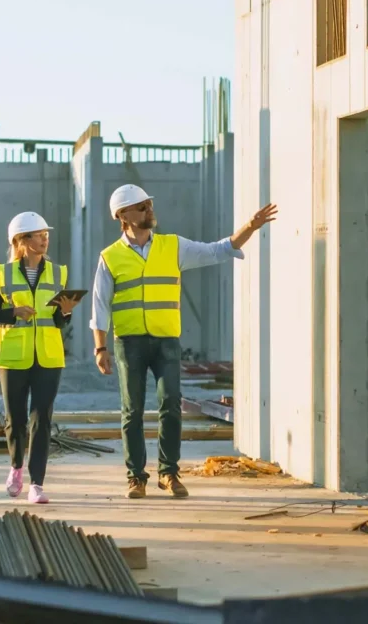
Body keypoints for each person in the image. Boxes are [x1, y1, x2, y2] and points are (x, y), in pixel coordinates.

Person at [90, 184, 277, 500]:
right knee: (132, 411)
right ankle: (136, 477)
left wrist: (251, 226)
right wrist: (100, 347)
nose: (149, 210)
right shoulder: (110, 257)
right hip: (129, 343)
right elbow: (100, 304)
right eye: (141, 207)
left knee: (170, 406)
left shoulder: (172, 247)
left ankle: (168, 473)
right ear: (122, 216)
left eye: (149, 204)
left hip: (166, 342)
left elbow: (219, 249)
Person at [0, 212, 80, 504]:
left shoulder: (58, 272)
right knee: (16, 420)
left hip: (49, 356)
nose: (44, 238)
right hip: (13, 357)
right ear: (21, 241)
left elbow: (62, 322)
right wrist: (14, 312)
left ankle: (37, 484)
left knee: (42, 420)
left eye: (45, 234)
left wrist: (65, 312)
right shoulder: (5, 274)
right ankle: (15, 467)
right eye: (38, 235)